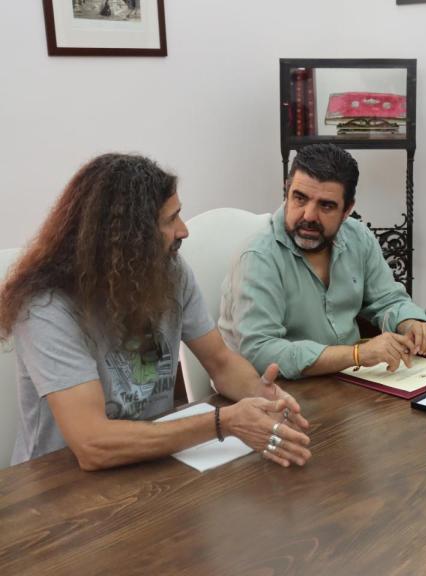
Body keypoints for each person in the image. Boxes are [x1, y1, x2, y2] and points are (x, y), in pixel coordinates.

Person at [0, 154, 311, 470]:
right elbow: (92, 444)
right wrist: (224, 422)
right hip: (56, 487)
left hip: (153, 460)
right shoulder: (46, 305)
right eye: (170, 219)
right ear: (126, 237)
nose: (184, 230)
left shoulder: (169, 270)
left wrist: (266, 398)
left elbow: (221, 362)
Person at [220, 144, 426, 379]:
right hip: (270, 392)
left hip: (343, 380)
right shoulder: (258, 257)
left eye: (326, 205)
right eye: (300, 198)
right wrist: (356, 354)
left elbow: (387, 299)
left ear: (347, 210)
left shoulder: (357, 237)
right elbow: (261, 351)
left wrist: (410, 322)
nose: (309, 216)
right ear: (287, 191)